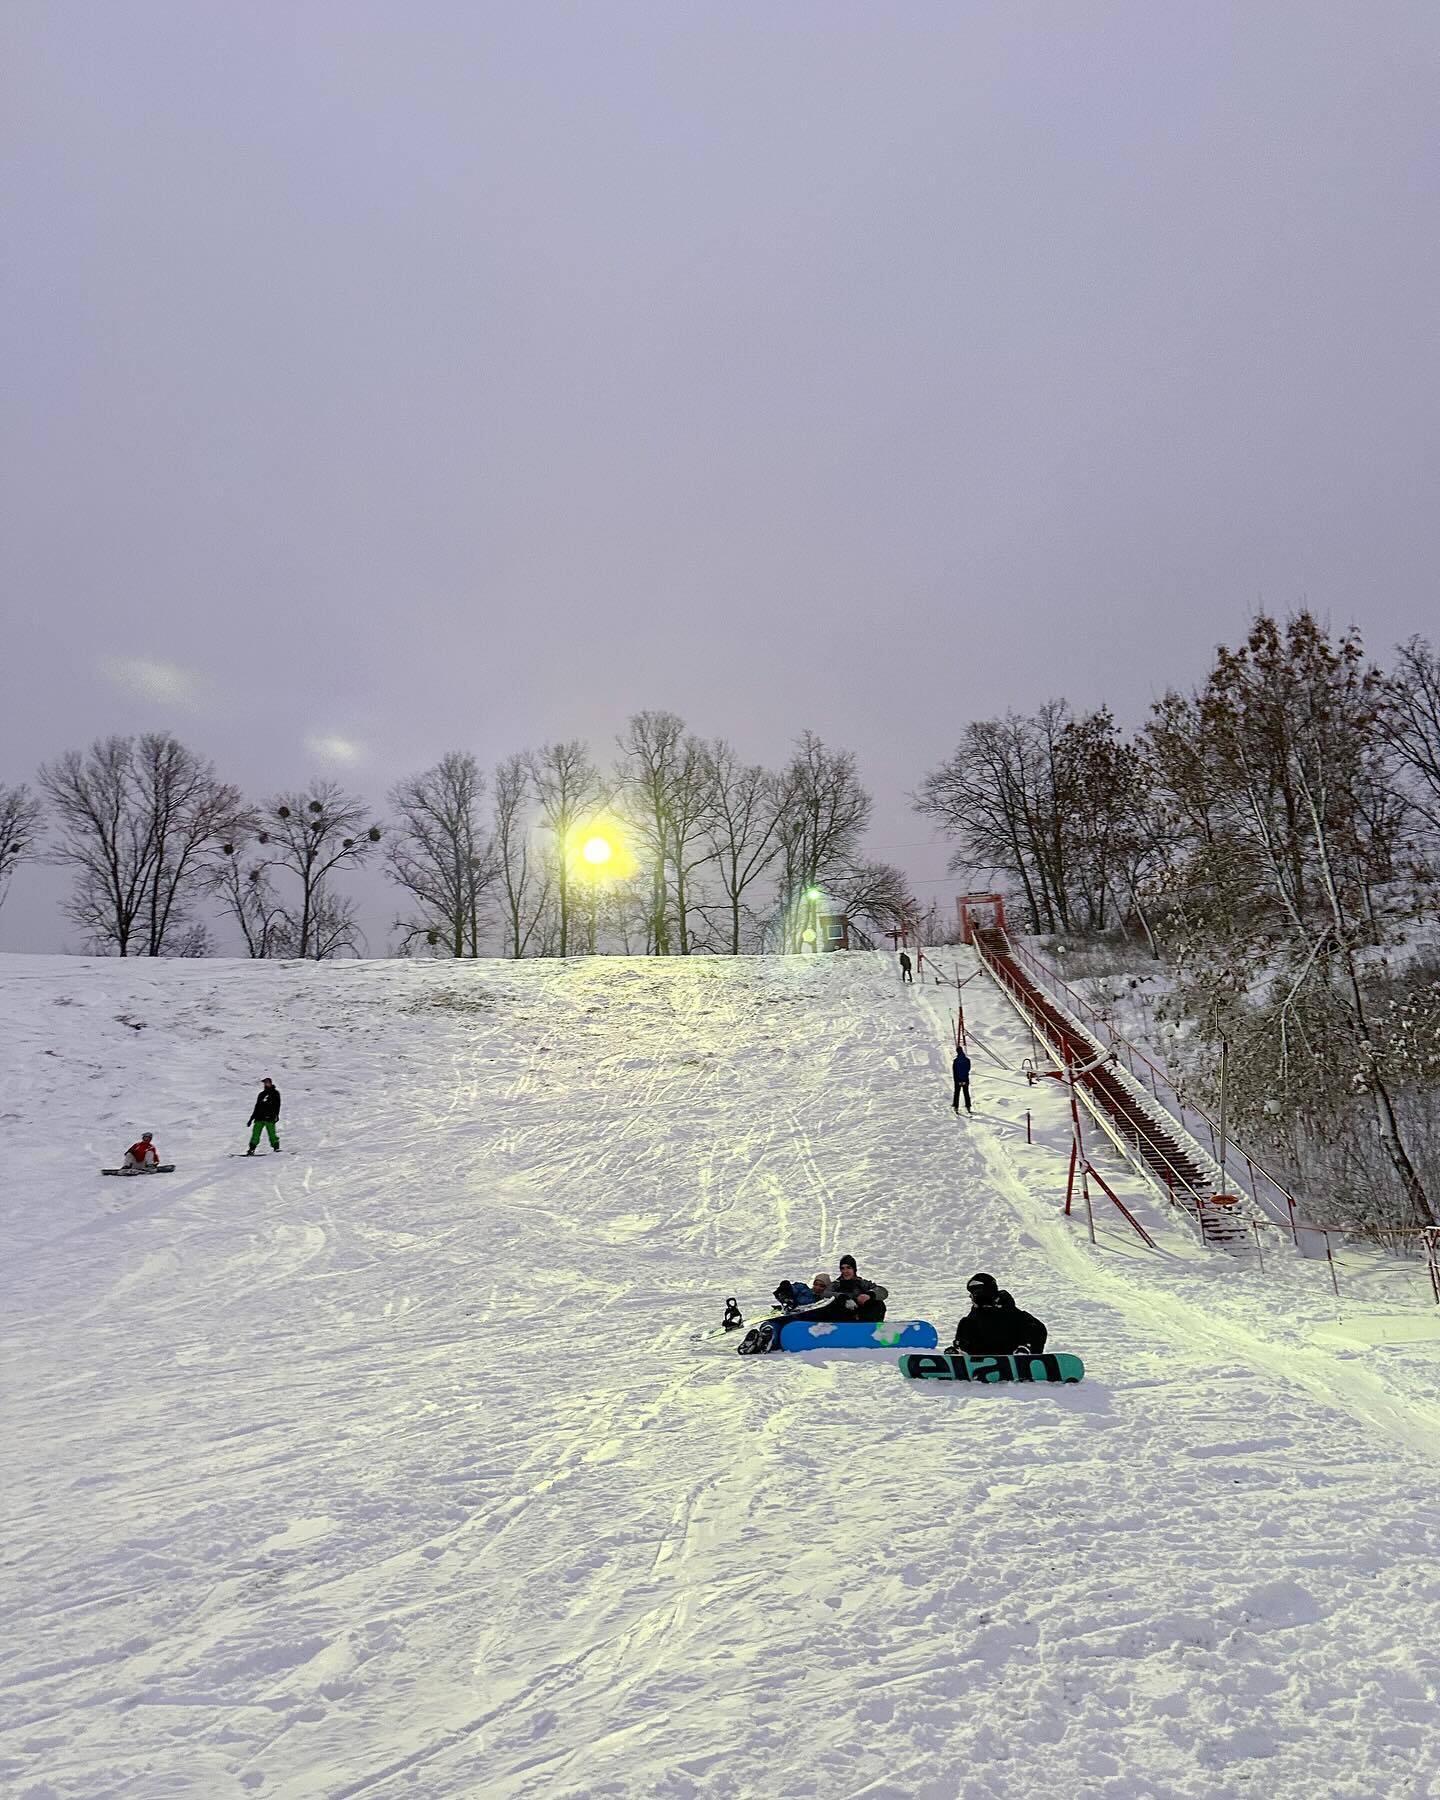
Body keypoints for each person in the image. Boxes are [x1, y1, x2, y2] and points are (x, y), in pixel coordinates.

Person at [946, 1272, 1047, 1355]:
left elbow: (1037, 1329)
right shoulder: (974, 1316)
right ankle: (961, 1354)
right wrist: (961, 1345)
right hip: (983, 1354)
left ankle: (1024, 1352)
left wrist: (1028, 1346)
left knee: (1031, 1326)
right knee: (965, 1323)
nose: (972, 1297)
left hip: (1010, 1352)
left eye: (975, 1293)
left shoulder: (1009, 1310)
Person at [246, 1077, 282, 1155]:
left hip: (270, 1118)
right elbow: (257, 1107)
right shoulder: (261, 1094)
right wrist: (251, 1119)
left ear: (271, 1083)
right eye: (265, 1083)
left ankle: (276, 1148)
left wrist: (276, 1115)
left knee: (272, 1134)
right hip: (259, 1117)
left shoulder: (275, 1093)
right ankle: (251, 1149)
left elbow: (277, 1105)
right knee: (255, 1134)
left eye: (267, 1082)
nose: (266, 1084)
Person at [951, 1046, 972, 1115]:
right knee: (966, 1093)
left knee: (957, 1093)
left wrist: (957, 1080)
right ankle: (968, 1107)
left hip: (957, 1080)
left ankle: (956, 1106)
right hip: (965, 1079)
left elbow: (954, 1072)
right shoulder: (967, 1060)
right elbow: (968, 1069)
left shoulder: (956, 1061)